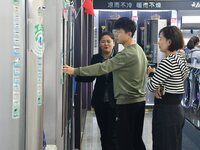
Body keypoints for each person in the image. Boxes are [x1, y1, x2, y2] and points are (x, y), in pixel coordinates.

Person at [63, 17, 147, 150]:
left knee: (124, 140)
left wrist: (75, 71)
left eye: (118, 32)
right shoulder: (139, 50)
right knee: (134, 139)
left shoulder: (126, 54)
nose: (116, 35)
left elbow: (102, 67)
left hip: (128, 103)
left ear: (129, 34)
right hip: (137, 101)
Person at [147, 26, 188, 150]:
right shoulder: (181, 59)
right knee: (174, 144)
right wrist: (161, 85)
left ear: (169, 42)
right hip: (177, 110)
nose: (158, 42)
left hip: (166, 112)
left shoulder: (168, 62)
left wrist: (151, 73)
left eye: (161, 38)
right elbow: (180, 79)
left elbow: (151, 86)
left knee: (163, 144)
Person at [75, 31, 117, 150]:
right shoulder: (96, 58)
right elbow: (90, 76)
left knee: (113, 134)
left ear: (114, 43)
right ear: (99, 44)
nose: (106, 44)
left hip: (116, 101)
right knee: (104, 133)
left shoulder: (119, 58)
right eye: (103, 41)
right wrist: (75, 75)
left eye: (108, 41)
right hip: (100, 101)